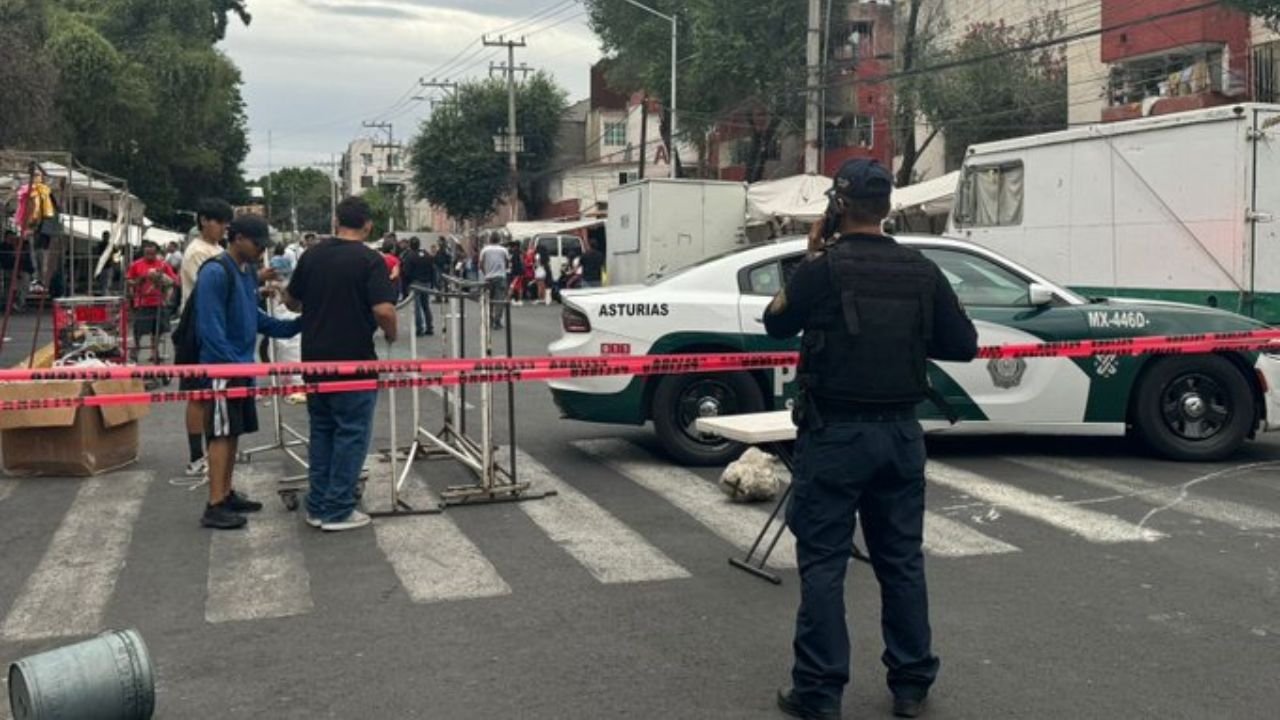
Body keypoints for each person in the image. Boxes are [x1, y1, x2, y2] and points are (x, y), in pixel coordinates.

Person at [763, 159, 978, 720]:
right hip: (900, 434)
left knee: (824, 562)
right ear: (887, 208)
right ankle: (910, 684)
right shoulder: (921, 269)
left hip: (835, 435)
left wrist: (813, 254)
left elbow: (775, 322)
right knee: (901, 560)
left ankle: (819, 691)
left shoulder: (822, 269)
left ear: (838, 206)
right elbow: (963, 344)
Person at [285, 197, 397, 532]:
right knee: (351, 432)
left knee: (322, 431)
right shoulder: (370, 260)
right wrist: (391, 332)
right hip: (355, 360)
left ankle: (318, 504)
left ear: (336, 221)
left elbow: (292, 302)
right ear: (368, 225)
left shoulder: (312, 255)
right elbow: (384, 310)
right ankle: (337, 509)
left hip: (315, 359)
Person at [194, 215, 301, 530]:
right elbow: (209, 328)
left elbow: (256, 320)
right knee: (220, 434)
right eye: (257, 245)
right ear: (237, 238)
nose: (260, 252)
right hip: (222, 369)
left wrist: (297, 324)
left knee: (233, 432)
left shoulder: (244, 275)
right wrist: (233, 366)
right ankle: (214, 503)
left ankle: (226, 493)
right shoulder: (216, 272)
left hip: (241, 365)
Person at [178, 198, 233, 478]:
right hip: (198, 328)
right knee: (198, 396)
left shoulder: (217, 249)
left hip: (215, 324)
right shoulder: (197, 252)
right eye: (219, 222)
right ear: (203, 221)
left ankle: (213, 452)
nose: (223, 228)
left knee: (213, 396)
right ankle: (196, 457)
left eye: (226, 223)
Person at [125, 241, 178, 364]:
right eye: (147, 253)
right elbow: (129, 281)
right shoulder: (136, 265)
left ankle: (154, 352)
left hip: (158, 302)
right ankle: (135, 350)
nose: (150, 255)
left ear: (156, 253)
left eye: (152, 253)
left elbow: (174, 280)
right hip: (142, 302)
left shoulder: (162, 265)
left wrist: (163, 281)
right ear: (144, 252)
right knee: (139, 329)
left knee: (157, 329)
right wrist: (137, 283)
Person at [402, 237, 434, 337]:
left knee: (417, 307)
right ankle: (429, 327)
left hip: (415, 283)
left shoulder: (410, 256)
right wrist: (432, 282)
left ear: (410, 245)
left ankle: (419, 329)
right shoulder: (427, 255)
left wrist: (406, 285)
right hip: (427, 283)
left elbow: (406, 272)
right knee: (426, 306)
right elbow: (432, 269)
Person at [478, 231, 509, 330]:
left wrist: (485, 272)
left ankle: (489, 320)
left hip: (488, 278)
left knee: (488, 300)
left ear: (490, 239)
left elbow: (481, 264)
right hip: (500, 277)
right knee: (499, 300)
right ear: (499, 239)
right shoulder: (504, 250)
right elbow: (507, 263)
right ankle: (497, 321)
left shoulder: (485, 250)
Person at [1, 230, 34, 312]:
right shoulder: (3, 246)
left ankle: (20, 303)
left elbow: (26, 257)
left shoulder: (21, 245)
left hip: (22, 269)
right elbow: (4, 259)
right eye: (10, 237)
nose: (12, 239)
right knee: (9, 287)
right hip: (9, 269)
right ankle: (9, 304)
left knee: (23, 286)